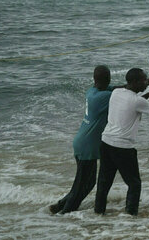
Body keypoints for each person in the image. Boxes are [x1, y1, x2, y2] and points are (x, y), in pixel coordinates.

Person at [94, 67, 149, 216]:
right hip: (123, 148)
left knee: (104, 183)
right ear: (134, 82)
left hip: (106, 143)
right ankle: (130, 216)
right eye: (143, 80)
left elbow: (137, 101)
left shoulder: (116, 92)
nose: (146, 82)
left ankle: (98, 213)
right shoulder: (136, 100)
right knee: (134, 184)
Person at [49, 66, 116, 215]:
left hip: (82, 142)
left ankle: (60, 205)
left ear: (94, 79)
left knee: (85, 182)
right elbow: (124, 93)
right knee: (81, 185)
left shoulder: (92, 92)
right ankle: (65, 214)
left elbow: (116, 88)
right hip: (88, 146)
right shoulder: (104, 97)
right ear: (109, 78)